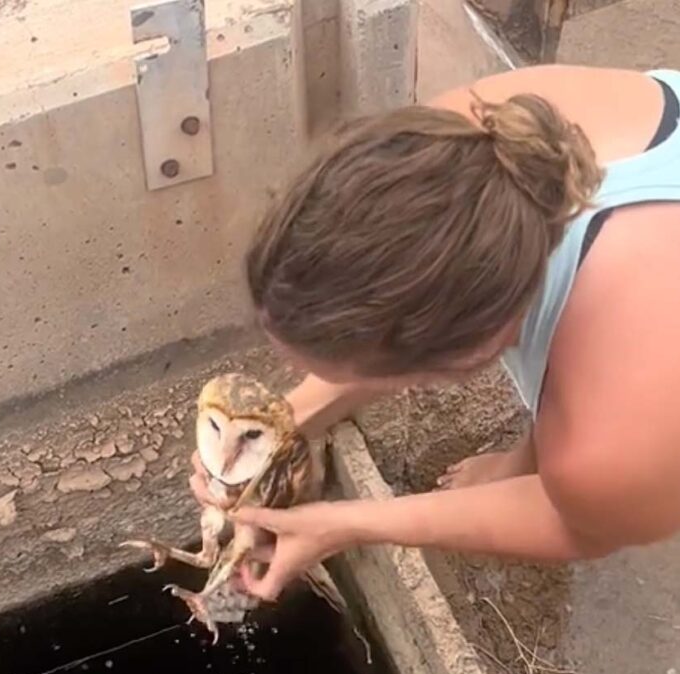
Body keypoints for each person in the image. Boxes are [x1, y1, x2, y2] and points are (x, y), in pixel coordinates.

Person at [191, 64, 680, 602]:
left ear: (467, 357)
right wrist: (271, 437)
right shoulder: (469, 144)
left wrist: (347, 524)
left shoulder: (612, 448)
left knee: (579, 465)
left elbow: (582, 529)